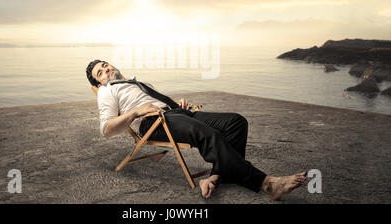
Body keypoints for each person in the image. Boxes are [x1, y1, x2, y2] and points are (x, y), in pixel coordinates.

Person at [86, 59, 307, 200]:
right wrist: (136, 112)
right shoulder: (107, 91)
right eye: (100, 73)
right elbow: (106, 129)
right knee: (207, 134)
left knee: (236, 122)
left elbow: (157, 101)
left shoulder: (137, 82)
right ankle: (267, 184)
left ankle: (215, 177)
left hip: (175, 114)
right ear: (99, 83)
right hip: (153, 124)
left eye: (106, 65)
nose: (106, 70)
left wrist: (176, 104)